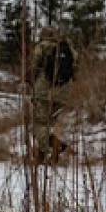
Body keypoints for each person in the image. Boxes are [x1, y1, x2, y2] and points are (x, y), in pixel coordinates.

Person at [32, 26, 77, 164]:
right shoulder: (68, 48)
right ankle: (45, 153)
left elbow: (34, 66)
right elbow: (75, 70)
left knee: (39, 124)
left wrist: (33, 82)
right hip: (63, 93)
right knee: (51, 123)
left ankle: (51, 149)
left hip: (44, 91)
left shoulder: (42, 46)